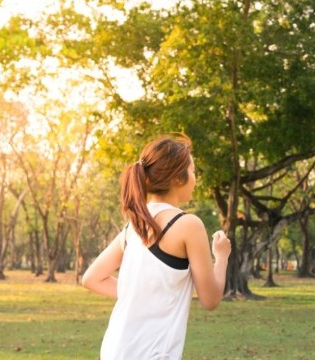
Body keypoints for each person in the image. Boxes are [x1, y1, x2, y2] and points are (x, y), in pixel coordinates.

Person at [82, 134, 231, 360]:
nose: (195, 179)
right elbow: (210, 299)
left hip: (114, 350)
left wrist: (141, 295)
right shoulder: (188, 225)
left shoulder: (133, 226)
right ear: (177, 179)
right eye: (193, 172)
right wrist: (221, 257)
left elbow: (92, 278)